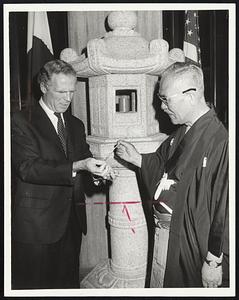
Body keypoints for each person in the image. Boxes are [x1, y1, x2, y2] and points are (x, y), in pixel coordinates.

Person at [115, 62, 229, 288]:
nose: (162, 106)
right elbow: (163, 168)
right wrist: (137, 159)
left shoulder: (220, 140)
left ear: (191, 95)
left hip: (193, 243)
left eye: (166, 99)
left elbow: (224, 206)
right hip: (167, 235)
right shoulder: (181, 132)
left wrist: (214, 260)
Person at [11, 59, 116, 289]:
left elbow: (85, 165)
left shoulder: (76, 124)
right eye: (61, 91)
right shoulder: (20, 121)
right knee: (35, 287)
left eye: (71, 91)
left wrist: (98, 174)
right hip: (37, 227)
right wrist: (79, 166)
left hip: (71, 223)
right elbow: (28, 168)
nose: (68, 98)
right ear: (43, 87)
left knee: (67, 285)